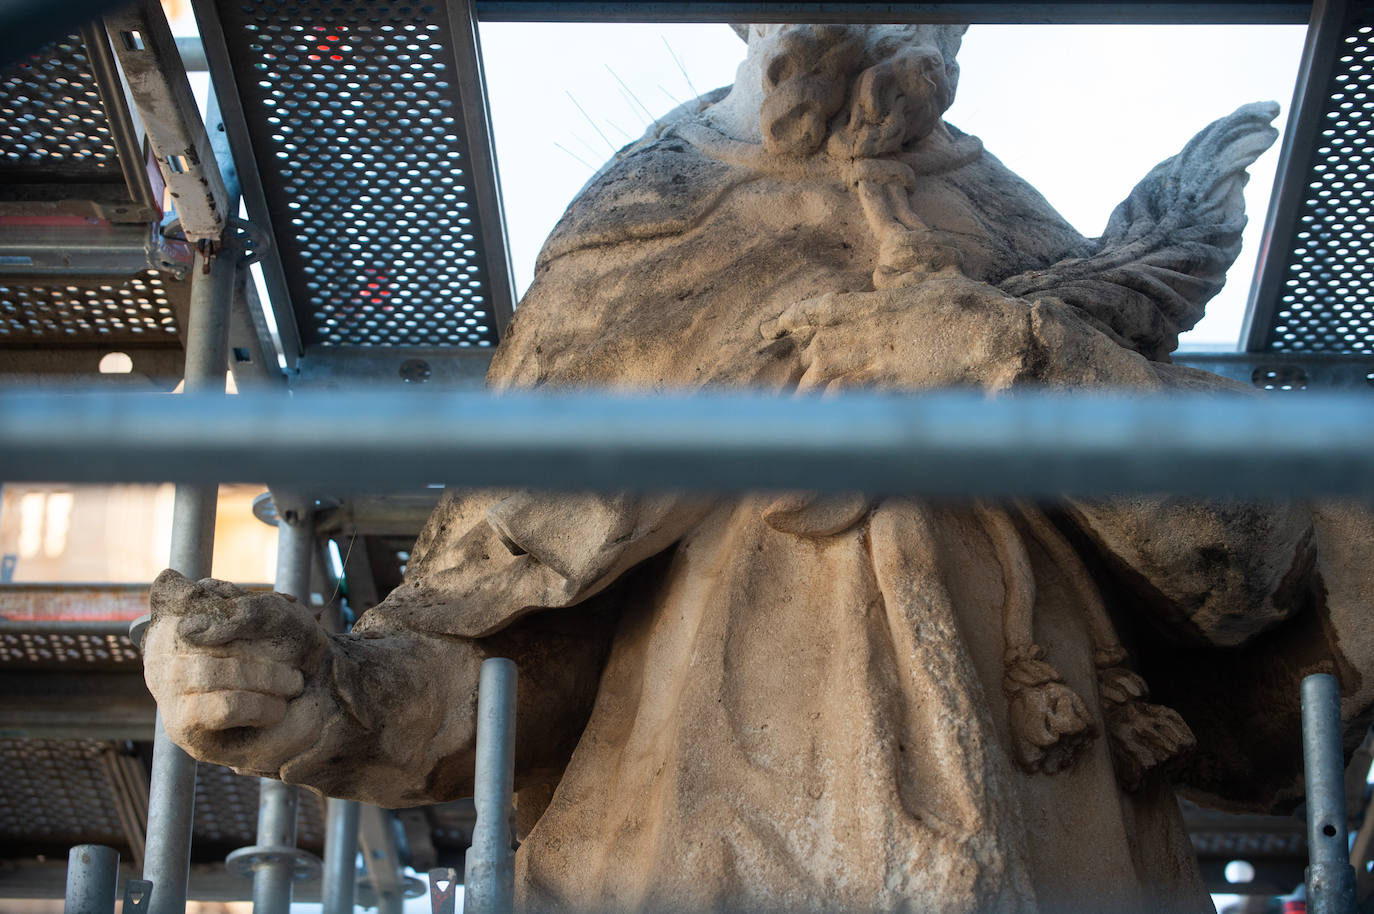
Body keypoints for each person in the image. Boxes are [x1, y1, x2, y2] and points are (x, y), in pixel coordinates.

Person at [143, 24, 1374, 913]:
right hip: (702, 855)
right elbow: (520, 637)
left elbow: (1240, 580)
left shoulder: (1014, 231)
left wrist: (1011, 352)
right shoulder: (642, 225)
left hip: (1058, 847)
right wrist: (327, 695)